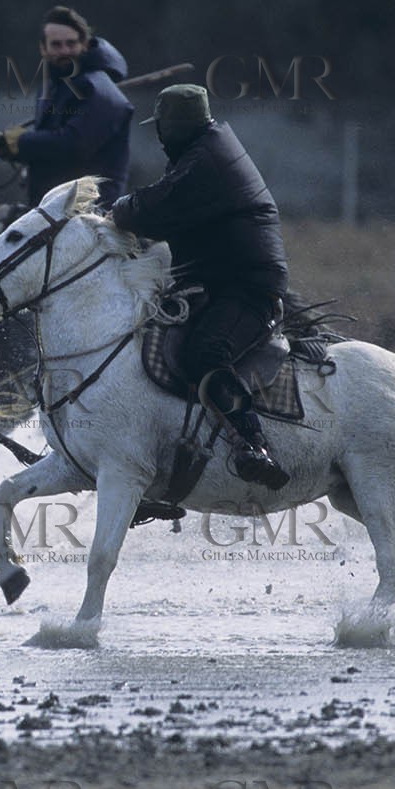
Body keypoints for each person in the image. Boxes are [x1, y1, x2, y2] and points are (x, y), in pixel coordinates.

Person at [109, 84, 291, 490]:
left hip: (247, 288)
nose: (158, 136)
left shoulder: (204, 161)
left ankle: (252, 442)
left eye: (161, 127)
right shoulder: (204, 149)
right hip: (219, 281)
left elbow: (150, 208)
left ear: (172, 127)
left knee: (207, 351)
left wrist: (115, 211)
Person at [0, 5, 133, 206]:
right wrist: (12, 149)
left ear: (85, 44)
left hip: (91, 213)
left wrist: (20, 142)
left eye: (71, 44)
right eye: (56, 45)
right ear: (43, 49)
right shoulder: (51, 88)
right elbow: (52, 155)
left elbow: (75, 144)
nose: (64, 51)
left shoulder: (97, 88)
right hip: (52, 210)